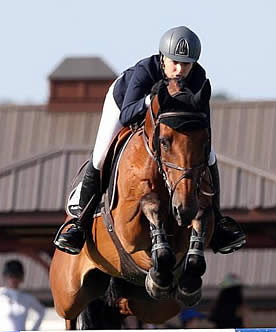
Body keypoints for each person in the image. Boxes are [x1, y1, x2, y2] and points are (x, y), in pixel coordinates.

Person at [54, 26, 246, 256]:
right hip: (124, 102)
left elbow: (204, 125)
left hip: (170, 125)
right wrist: (149, 101)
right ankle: (79, 223)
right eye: (174, 62)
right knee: (101, 154)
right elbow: (126, 115)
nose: (179, 69)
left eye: (186, 64)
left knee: (211, 155)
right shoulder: (145, 71)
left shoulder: (198, 78)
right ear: (162, 57)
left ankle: (219, 220)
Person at [0, 260, 45, 331]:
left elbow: (41, 311)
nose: (14, 279)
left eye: (17, 276)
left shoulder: (27, 298)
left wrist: (33, 330)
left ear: (21, 278)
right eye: (11, 276)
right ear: (5, 277)